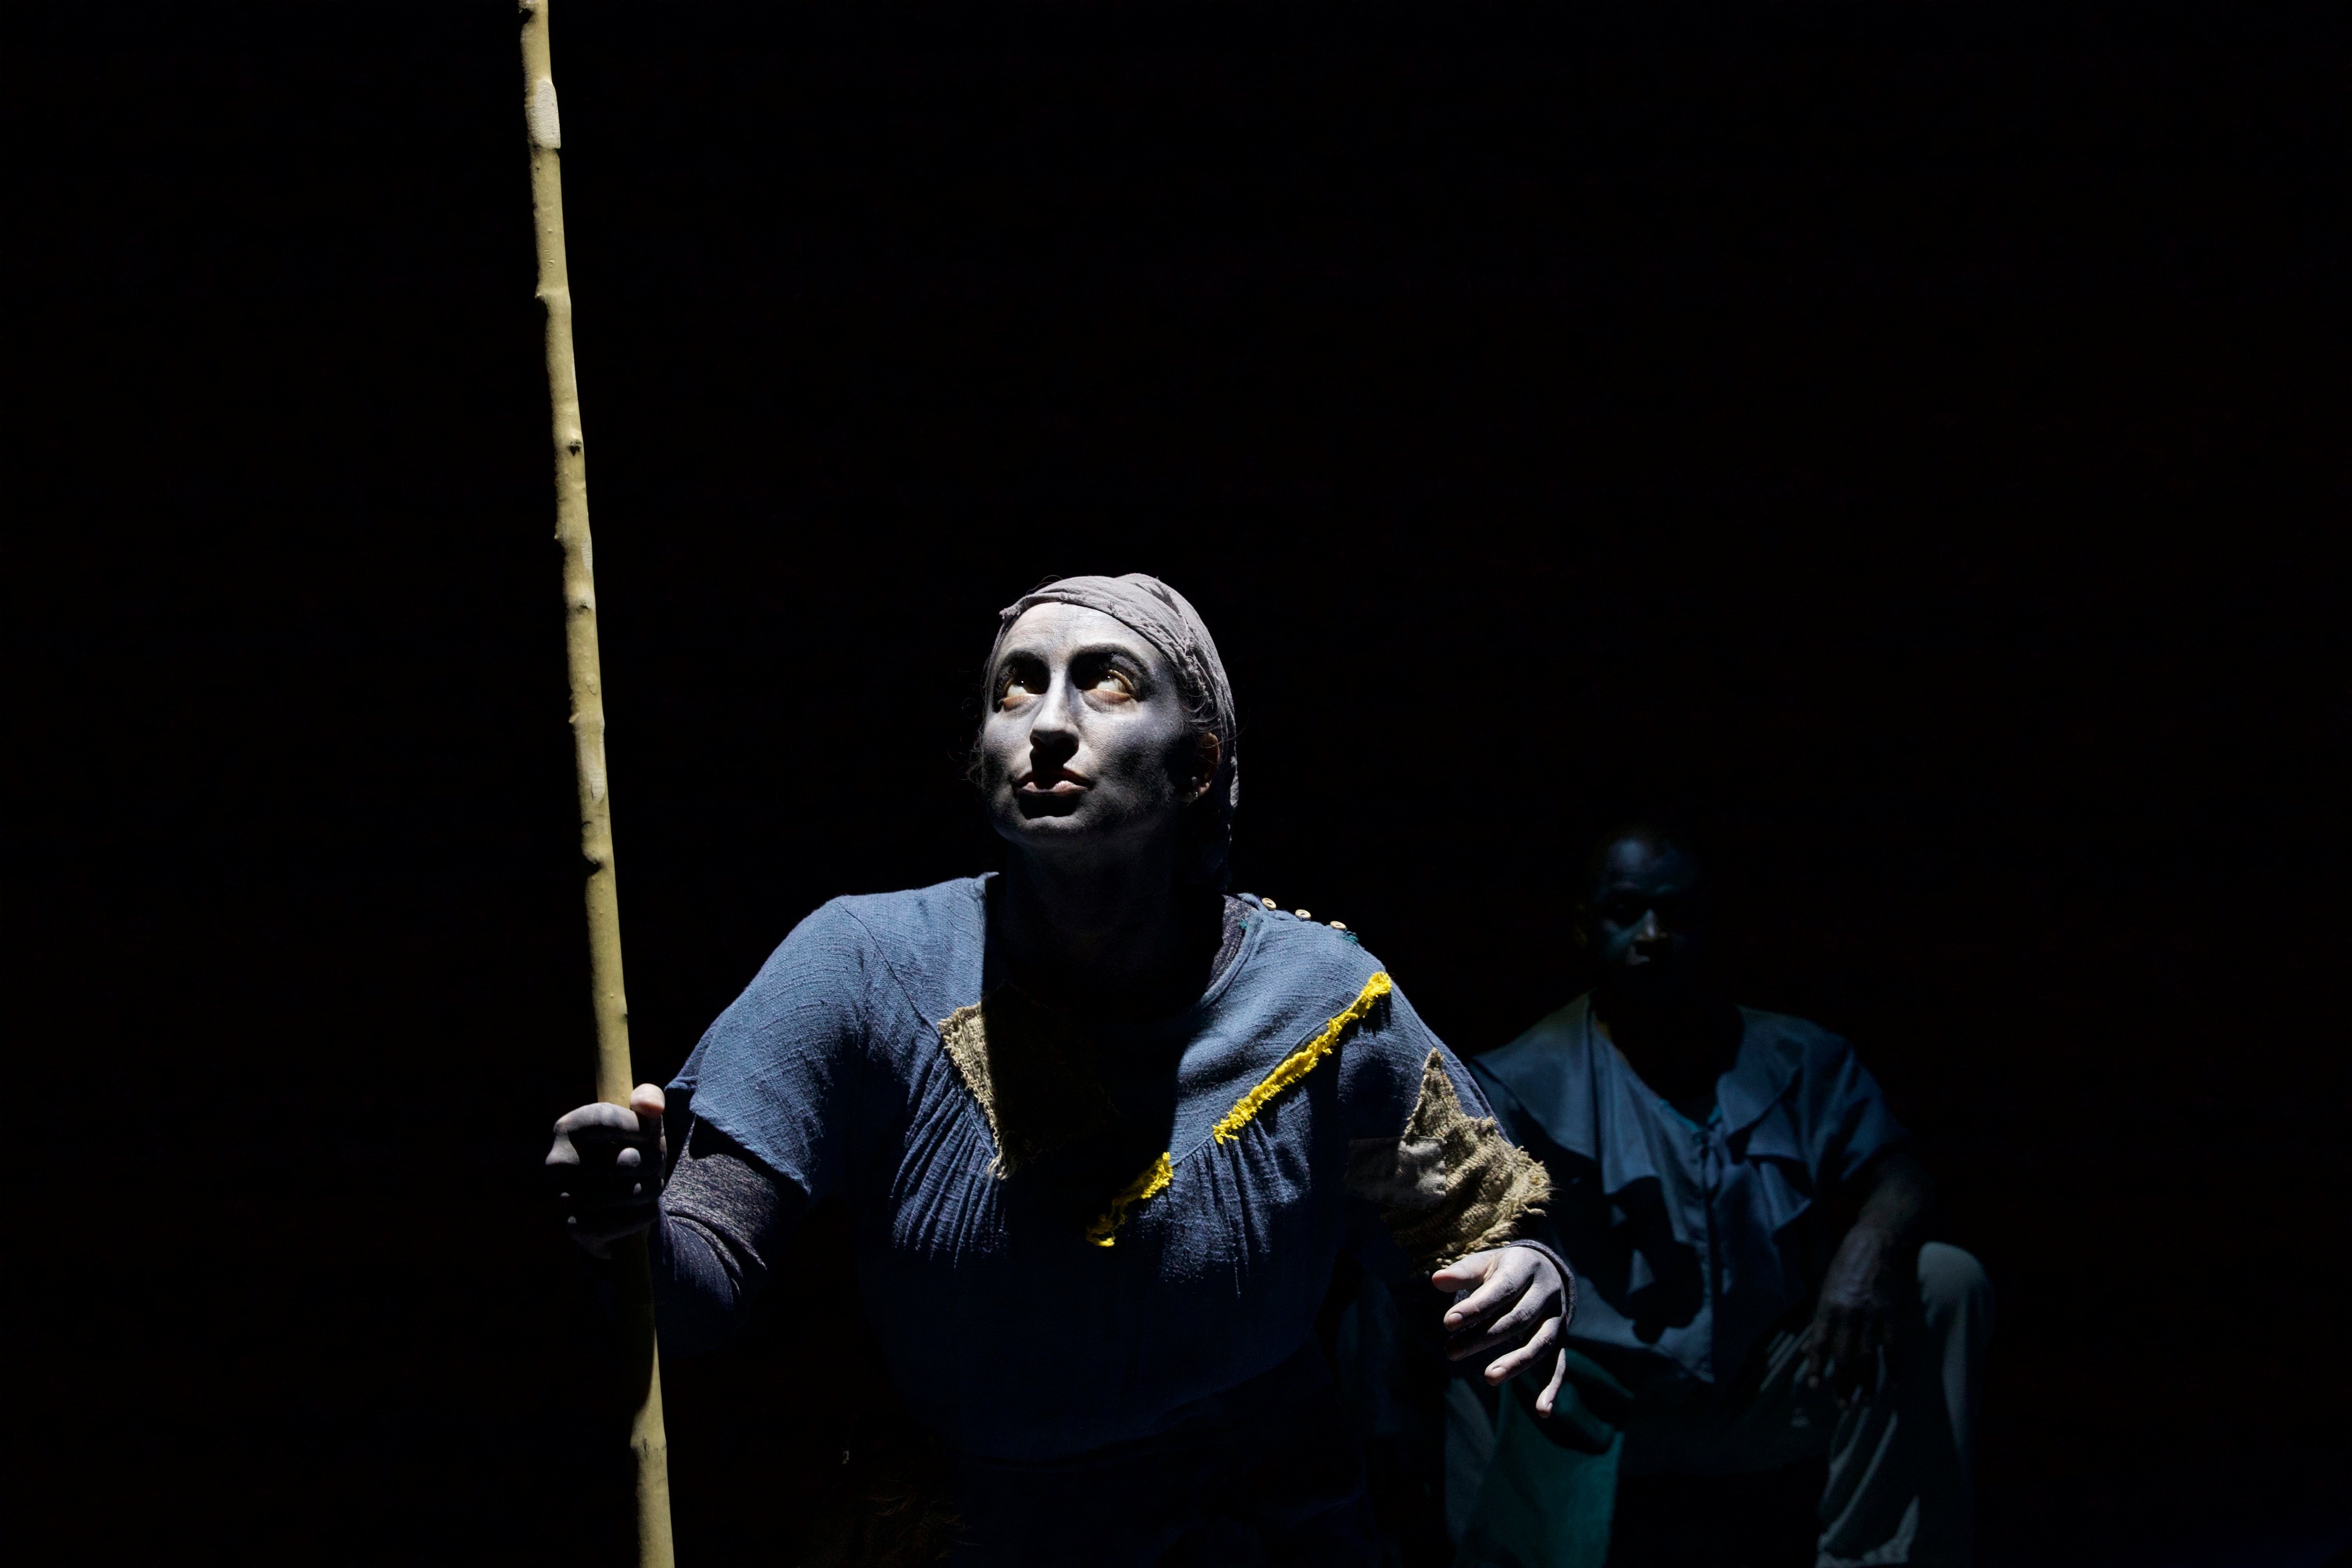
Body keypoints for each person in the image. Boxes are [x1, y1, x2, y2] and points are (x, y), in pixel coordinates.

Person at [544, 573, 1576, 1566]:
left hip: (1255, 1532)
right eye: (1016, 687)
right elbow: (697, 1288)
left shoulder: (1323, 1003)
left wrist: (1527, 1278)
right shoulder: (866, 965)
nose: (1046, 720)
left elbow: (1485, 1235)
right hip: (983, 1533)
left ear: (1199, 767)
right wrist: (624, 1230)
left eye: (1108, 681)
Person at [1455, 823, 1992, 1568]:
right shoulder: (1516, 1079)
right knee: (1446, 1325)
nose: (1652, 935)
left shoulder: (1797, 1058)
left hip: (1766, 1384)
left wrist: (1867, 1246)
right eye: (1627, 912)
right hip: (1595, 1405)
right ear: (1585, 926)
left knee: (1944, 1281)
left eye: (1675, 914)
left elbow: (1901, 1172)